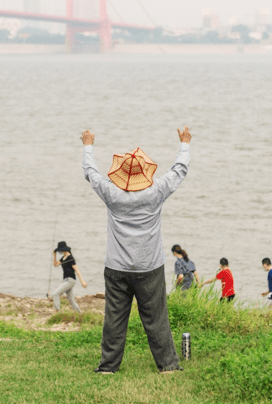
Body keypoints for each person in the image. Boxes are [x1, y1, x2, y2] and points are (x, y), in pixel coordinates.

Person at [81, 126, 191, 375]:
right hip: (149, 267)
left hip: (116, 267)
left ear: (120, 173)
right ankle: (168, 366)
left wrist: (88, 144)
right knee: (156, 318)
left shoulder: (111, 194)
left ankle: (108, 367)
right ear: (146, 172)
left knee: (114, 319)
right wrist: (184, 143)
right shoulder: (156, 192)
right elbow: (179, 171)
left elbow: (91, 173)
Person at [51, 241, 88, 313]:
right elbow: (55, 265)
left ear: (64, 249)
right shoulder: (63, 258)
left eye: (60, 251)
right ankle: (79, 313)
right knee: (71, 299)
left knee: (55, 294)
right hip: (66, 280)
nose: (60, 252)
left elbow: (77, 270)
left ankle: (57, 311)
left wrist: (82, 282)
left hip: (70, 280)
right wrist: (54, 255)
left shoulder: (71, 258)